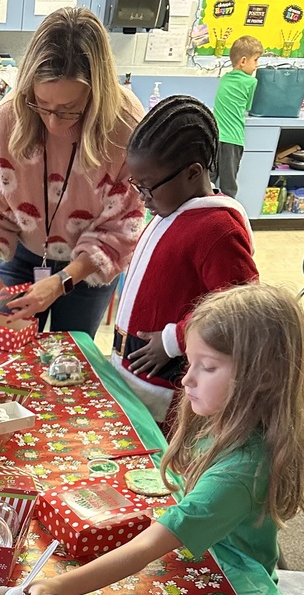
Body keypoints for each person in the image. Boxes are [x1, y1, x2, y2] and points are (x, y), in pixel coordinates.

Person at [32, 283, 304, 595]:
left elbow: (147, 547)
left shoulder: (240, 471)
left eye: (207, 367)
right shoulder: (224, 415)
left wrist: (58, 587)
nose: (187, 379)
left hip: (235, 586)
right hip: (202, 554)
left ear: (262, 378)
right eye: (189, 362)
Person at [0, 7, 146, 336]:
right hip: (24, 254)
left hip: (90, 268)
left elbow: (123, 225)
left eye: (69, 110)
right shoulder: (7, 120)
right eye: (42, 105)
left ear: (96, 94)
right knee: (4, 359)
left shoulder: (125, 124)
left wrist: (63, 281)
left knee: (68, 364)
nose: (52, 122)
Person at [112, 96, 258, 428]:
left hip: (168, 385)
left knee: (154, 463)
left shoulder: (218, 229)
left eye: (148, 188)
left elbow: (239, 309)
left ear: (193, 173)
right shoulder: (171, 208)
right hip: (135, 371)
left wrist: (173, 340)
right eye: (138, 186)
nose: (142, 197)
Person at [213, 36, 263, 199]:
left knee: (209, 181)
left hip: (214, 137)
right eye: (255, 60)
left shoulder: (224, 78)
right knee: (229, 186)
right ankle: (228, 214)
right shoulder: (251, 82)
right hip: (233, 139)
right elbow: (248, 107)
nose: (257, 65)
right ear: (243, 61)